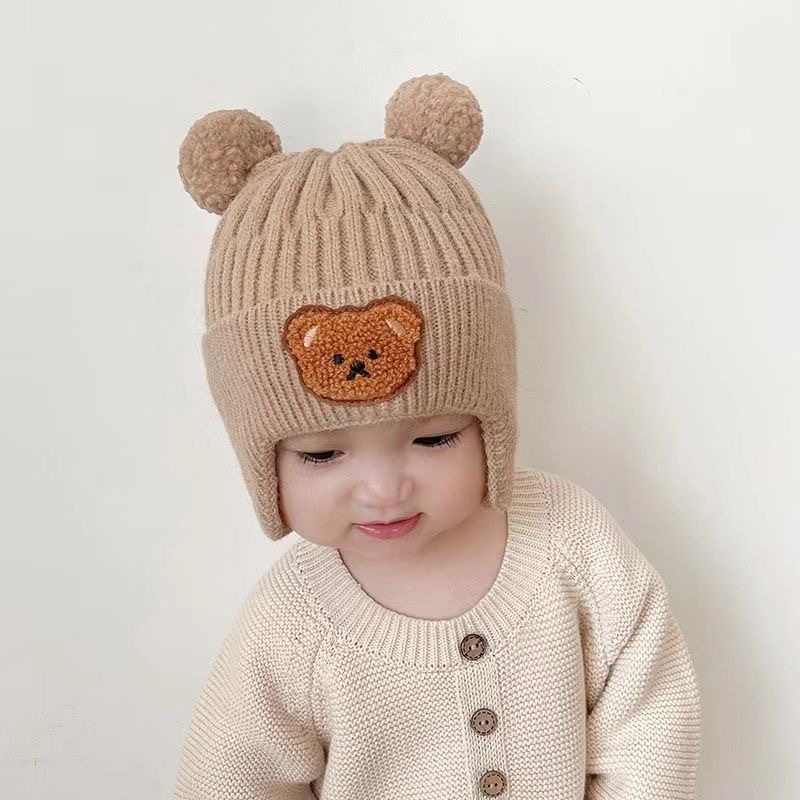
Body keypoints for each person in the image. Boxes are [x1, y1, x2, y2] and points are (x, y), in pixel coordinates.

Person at [173, 72, 702, 800]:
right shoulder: (292, 620)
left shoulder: (572, 541)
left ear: (492, 424)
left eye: (434, 440)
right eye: (322, 453)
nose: (384, 488)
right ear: (264, 463)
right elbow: (227, 780)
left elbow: (651, 721)